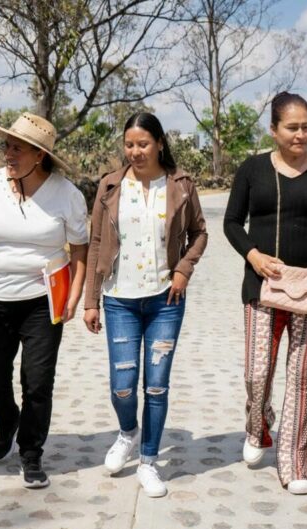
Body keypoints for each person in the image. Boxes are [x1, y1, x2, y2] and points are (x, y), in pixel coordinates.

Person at [0, 113, 88, 489]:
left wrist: (75, 293)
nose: (8, 154)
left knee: (37, 381)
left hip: (43, 301)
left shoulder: (66, 195)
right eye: (6, 146)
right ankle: (7, 420)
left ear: (39, 155)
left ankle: (31, 451)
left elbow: (79, 248)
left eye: (17, 148)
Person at [223, 91, 307, 495]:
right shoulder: (252, 170)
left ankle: (296, 462)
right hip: (262, 286)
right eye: (292, 128)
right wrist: (253, 255)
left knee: (301, 376)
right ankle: (258, 428)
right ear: (274, 130)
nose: (301, 135)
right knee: (256, 372)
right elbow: (231, 222)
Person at [83, 112, 208, 498]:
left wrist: (184, 269)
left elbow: (200, 232)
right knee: (123, 385)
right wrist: (91, 301)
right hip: (119, 300)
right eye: (129, 144)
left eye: (143, 144)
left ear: (159, 144)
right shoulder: (109, 187)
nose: (135, 151)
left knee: (155, 386)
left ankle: (149, 461)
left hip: (165, 301)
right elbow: (96, 245)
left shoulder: (180, 185)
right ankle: (127, 433)